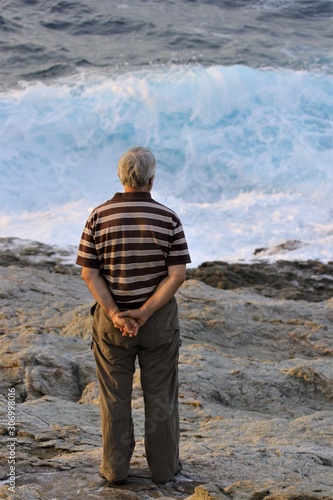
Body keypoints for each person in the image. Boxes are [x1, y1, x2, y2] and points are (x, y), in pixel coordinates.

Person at [76, 146, 191, 485]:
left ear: (121, 177)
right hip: (157, 324)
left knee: (114, 398)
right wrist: (143, 312)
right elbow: (177, 275)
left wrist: (114, 312)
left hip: (111, 326)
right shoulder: (168, 218)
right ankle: (164, 469)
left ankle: (114, 470)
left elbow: (89, 273)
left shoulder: (98, 216)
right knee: (161, 397)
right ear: (152, 179)